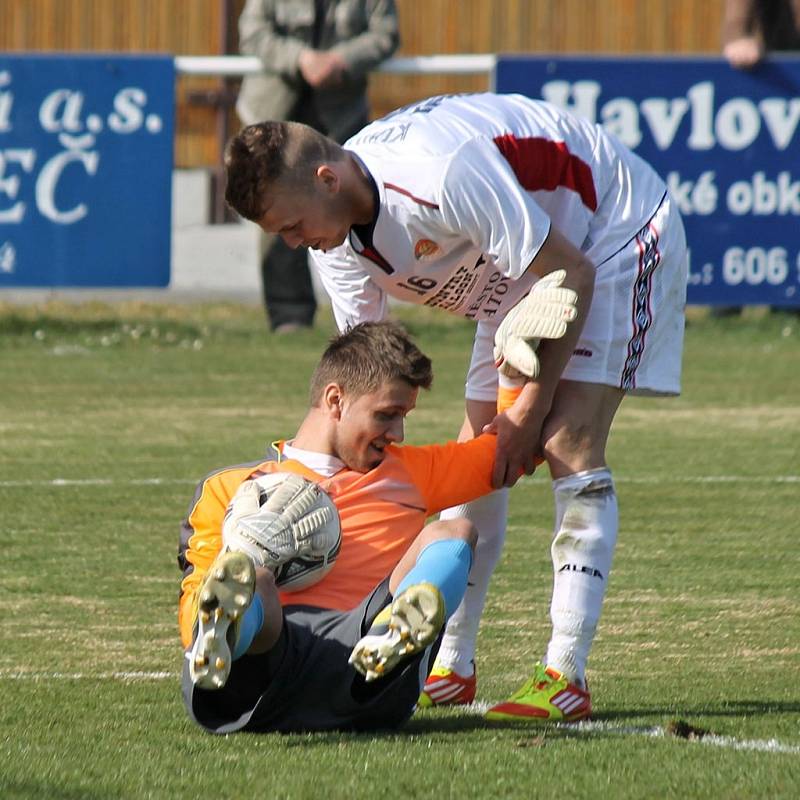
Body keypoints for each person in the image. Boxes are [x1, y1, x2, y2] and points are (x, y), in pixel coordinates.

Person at [222, 92, 689, 723]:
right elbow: (363, 378)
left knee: (563, 442)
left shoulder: (442, 173)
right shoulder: (336, 247)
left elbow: (569, 274)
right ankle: (454, 660)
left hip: (607, 233)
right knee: (481, 452)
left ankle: (565, 673)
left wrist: (530, 411)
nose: (296, 243)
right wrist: (323, 474)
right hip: (520, 262)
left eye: (291, 226)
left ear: (326, 179)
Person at [178, 320, 569, 733]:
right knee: (250, 578)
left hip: (364, 666)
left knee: (454, 534)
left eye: (404, 416)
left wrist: (514, 375)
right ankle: (226, 637)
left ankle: (395, 637)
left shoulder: (410, 473)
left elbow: (511, 452)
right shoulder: (230, 488)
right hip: (256, 672)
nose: (397, 433)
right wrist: (203, 626)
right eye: (386, 415)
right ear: (335, 400)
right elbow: (197, 588)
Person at [236, 0, 400, 333]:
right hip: (274, 114)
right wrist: (300, 59)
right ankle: (289, 315)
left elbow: (386, 34)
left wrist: (342, 60)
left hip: (341, 119)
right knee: (281, 219)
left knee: (350, 213)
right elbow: (252, 32)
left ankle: (368, 318)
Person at [717, 0, 800, 317]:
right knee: (755, 191)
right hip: (770, 101)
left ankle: (788, 305)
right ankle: (728, 303)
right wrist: (738, 39)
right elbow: (736, 25)